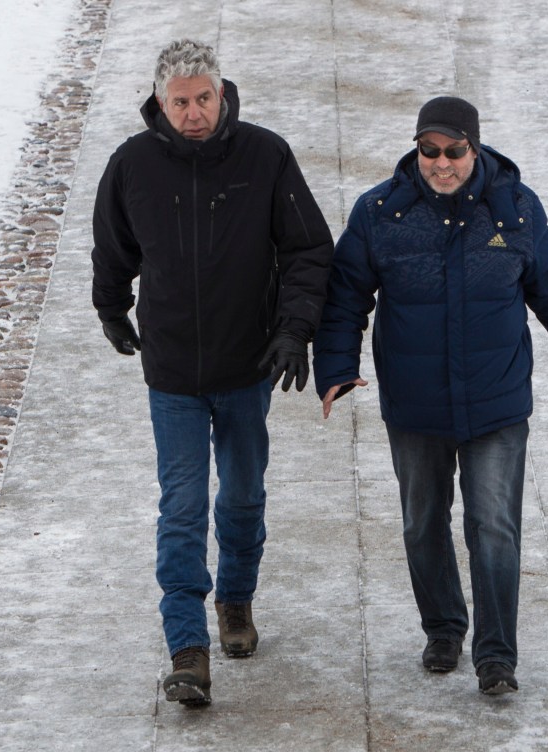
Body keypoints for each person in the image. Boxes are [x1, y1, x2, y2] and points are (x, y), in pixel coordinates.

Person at [312, 96, 548, 695]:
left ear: (475, 146)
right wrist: (336, 366)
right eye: (429, 151)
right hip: (416, 402)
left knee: (493, 525)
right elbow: (345, 297)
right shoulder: (381, 212)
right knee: (423, 522)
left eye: (454, 151)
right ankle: (443, 629)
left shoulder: (514, 209)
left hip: (495, 401)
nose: (441, 164)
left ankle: (497, 656)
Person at [92, 39, 333, 707]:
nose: (193, 113)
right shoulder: (133, 165)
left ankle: (236, 599)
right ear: (159, 104)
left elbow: (309, 248)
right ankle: (187, 647)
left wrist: (293, 330)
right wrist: (110, 306)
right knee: (183, 505)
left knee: (244, 495)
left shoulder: (266, 157)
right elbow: (111, 245)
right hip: (172, 372)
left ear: (221, 94)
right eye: (180, 103)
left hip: (247, 364)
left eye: (203, 99)